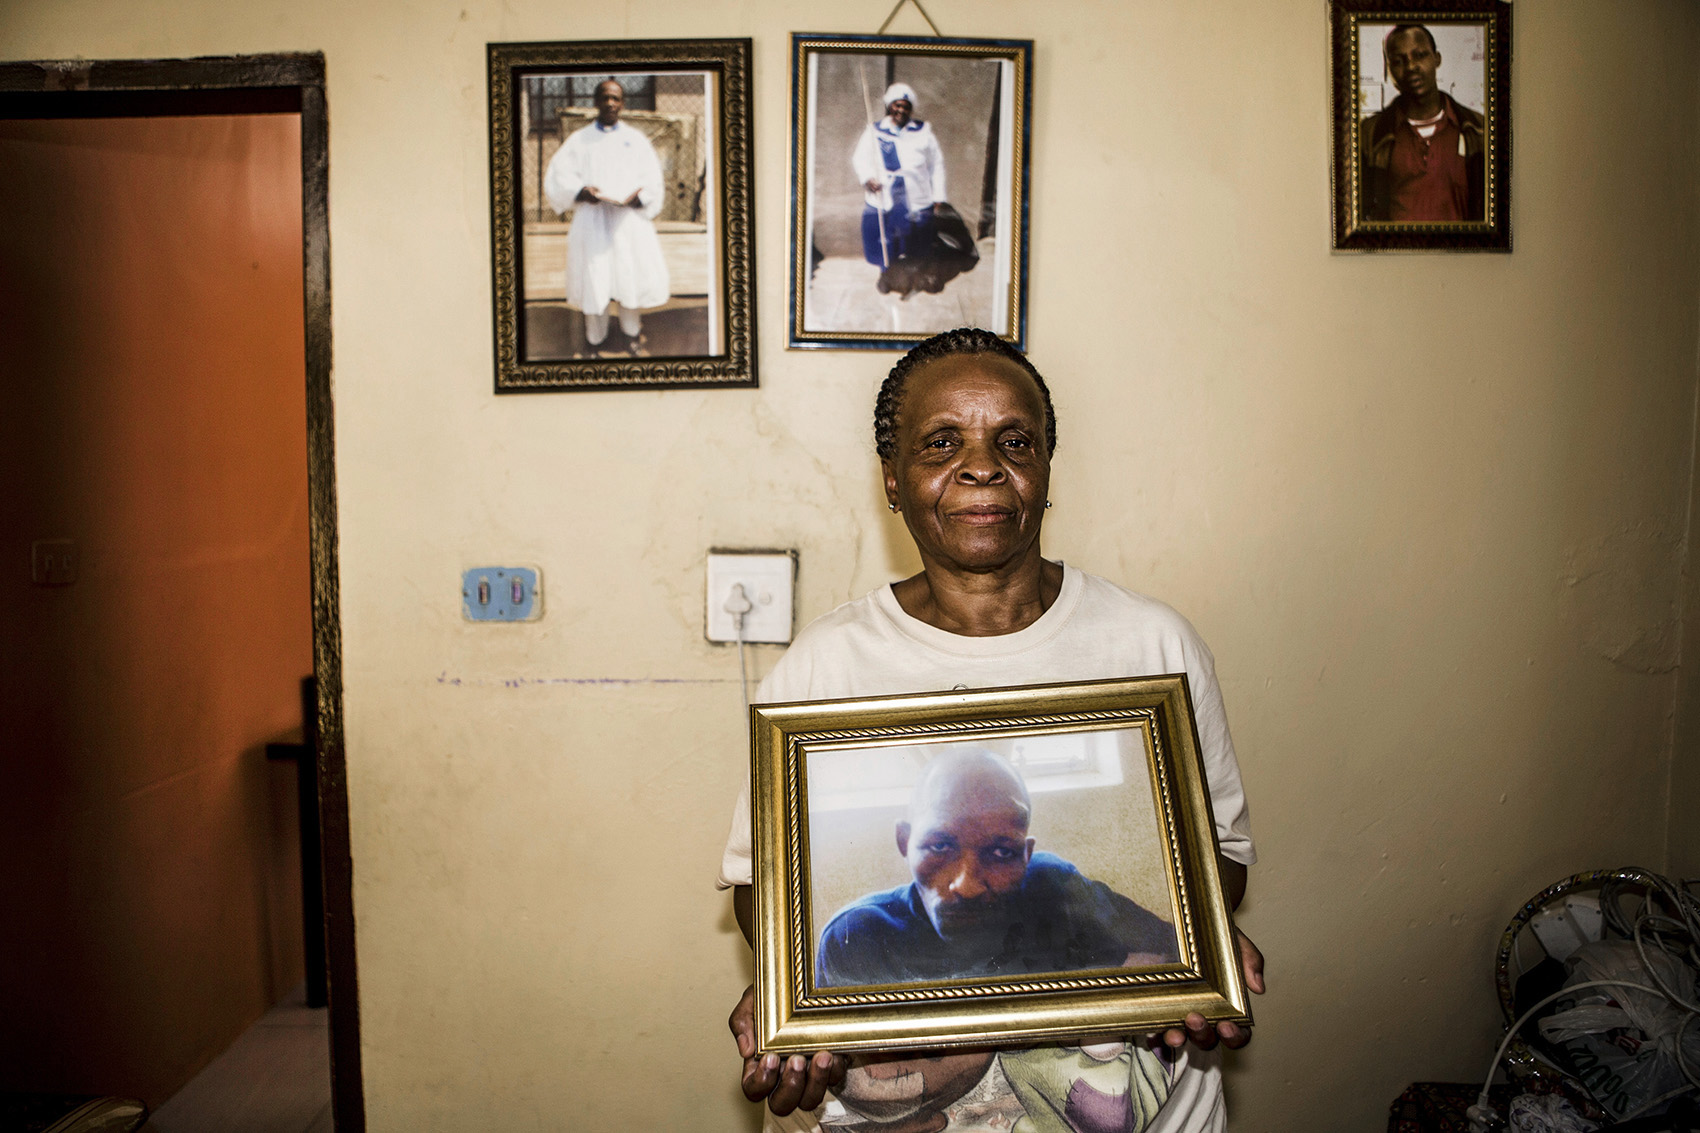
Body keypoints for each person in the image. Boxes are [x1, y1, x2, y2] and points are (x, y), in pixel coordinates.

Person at [721, 328, 1265, 1133]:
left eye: (1014, 440)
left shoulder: (1151, 645)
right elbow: (756, 885)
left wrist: (1193, 952)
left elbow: (1218, 860)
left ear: (1045, 470)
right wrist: (794, 985)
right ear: (894, 481)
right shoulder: (826, 666)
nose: (983, 465)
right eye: (943, 442)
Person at [816, 748, 1178, 988]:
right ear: (904, 842)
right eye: (940, 846)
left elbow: (1177, 953)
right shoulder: (859, 936)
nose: (967, 885)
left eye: (1001, 852)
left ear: (1026, 855)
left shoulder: (1054, 887)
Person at [542, 79, 670, 353]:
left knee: (629, 274)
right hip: (593, 219)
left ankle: (631, 333)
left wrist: (641, 197)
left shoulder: (635, 140)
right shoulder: (581, 140)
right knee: (595, 275)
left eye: (616, 98)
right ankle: (595, 338)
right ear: (596, 102)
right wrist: (580, 191)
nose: (610, 103)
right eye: (605, 97)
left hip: (627, 222)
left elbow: (652, 179)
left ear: (622, 103)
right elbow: (559, 175)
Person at [1360, 24, 1485, 222]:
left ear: (1437, 59)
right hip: (1394, 252)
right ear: (1389, 69)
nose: (1410, 67)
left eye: (1419, 55)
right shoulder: (1369, 134)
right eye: (1399, 61)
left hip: (1461, 252)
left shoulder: (1479, 130)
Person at [852, 83, 947, 288]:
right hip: (885, 196)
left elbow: (936, 164)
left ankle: (913, 275)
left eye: (905, 106)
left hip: (916, 196)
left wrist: (938, 196)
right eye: (897, 105)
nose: (901, 110)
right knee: (886, 241)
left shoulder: (924, 132)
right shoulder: (875, 131)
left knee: (917, 241)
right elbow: (860, 158)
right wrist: (868, 178)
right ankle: (886, 276)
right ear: (890, 106)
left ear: (910, 109)